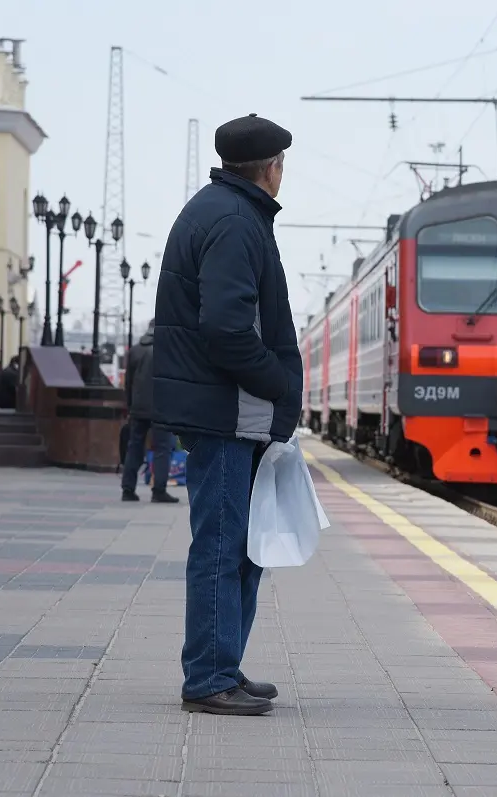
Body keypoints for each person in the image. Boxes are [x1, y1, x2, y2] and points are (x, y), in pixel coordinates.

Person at [154, 113, 301, 716]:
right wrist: (282, 384)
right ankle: (210, 677)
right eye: (283, 165)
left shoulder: (223, 210)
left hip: (226, 410)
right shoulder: (236, 221)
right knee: (221, 545)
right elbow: (228, 330)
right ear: (271, 168)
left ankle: (222, 667)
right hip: (226, 410)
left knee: (237, 546)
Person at [121, 319, 179, 504]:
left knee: (134, 446)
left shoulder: (135, 350)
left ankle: (128, 489)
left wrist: (130, 406)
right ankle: (159, 490)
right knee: (163, 448)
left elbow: (128, 383)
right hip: (162, 408)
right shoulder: (169, 351)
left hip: (138, 409)